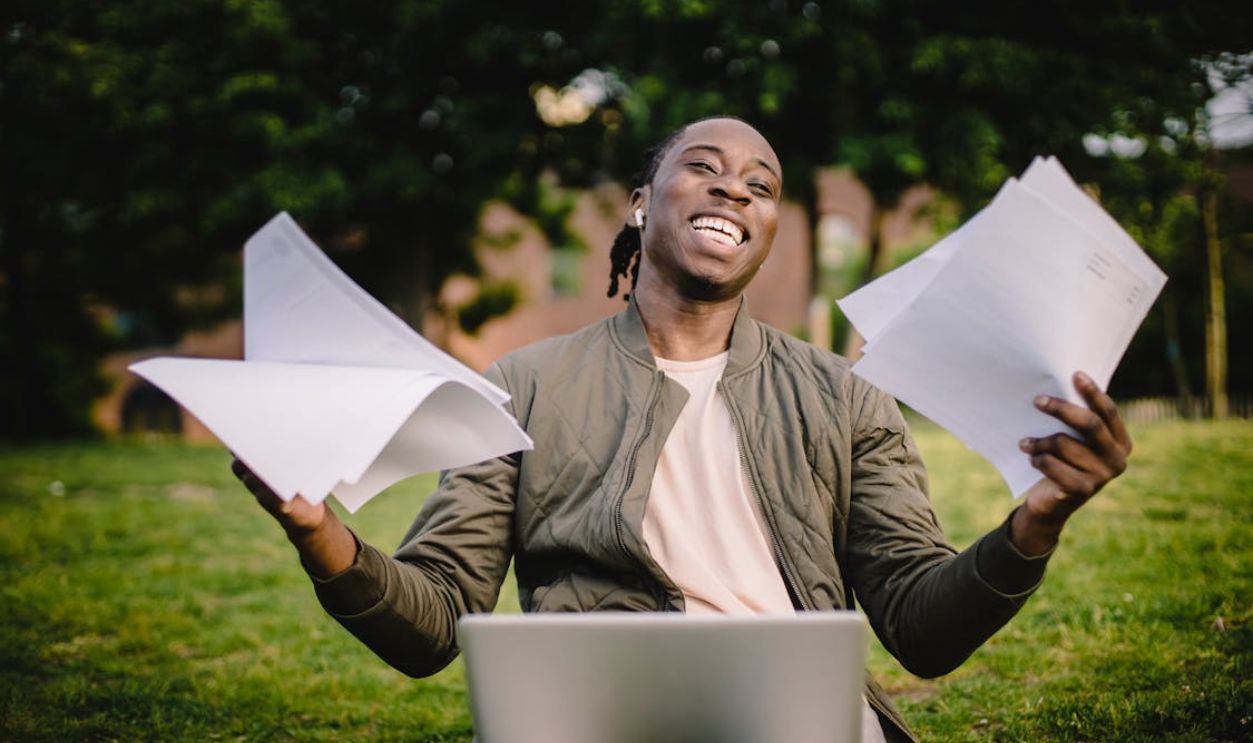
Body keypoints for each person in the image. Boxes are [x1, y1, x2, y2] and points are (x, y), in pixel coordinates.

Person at [233, 117, 1131, 742]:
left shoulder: (844, 397)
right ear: (642, 201)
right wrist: (321, 535)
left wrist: (1035, 522)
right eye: (704, 166)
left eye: (761, 186)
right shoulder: (523, 385)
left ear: (770, 231)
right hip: (598, 724)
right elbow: (433, 624)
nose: (733, 189)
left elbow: (921, 627)